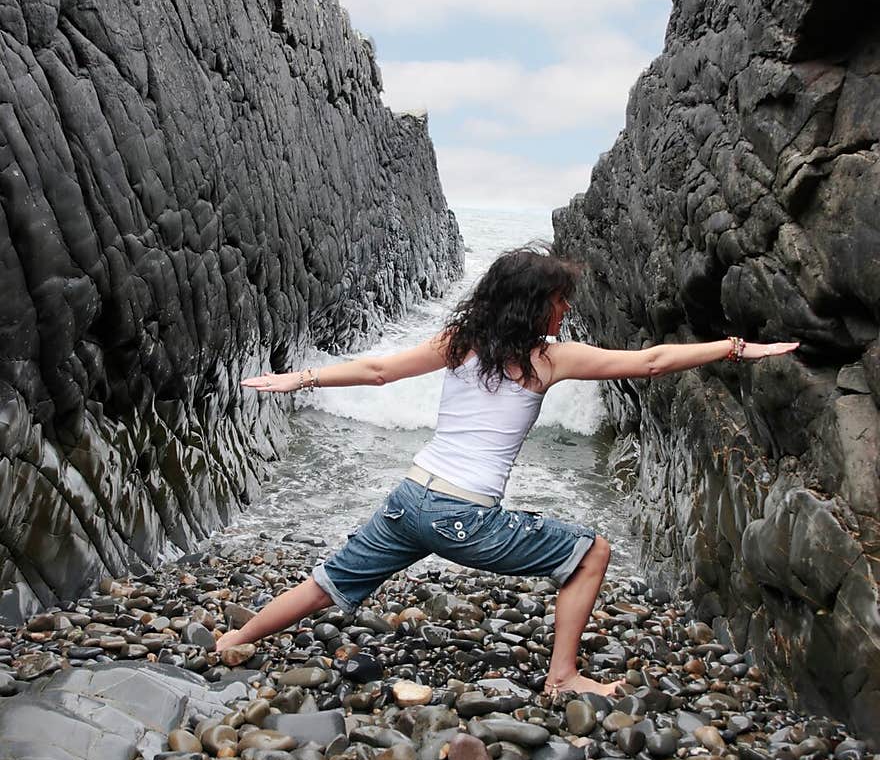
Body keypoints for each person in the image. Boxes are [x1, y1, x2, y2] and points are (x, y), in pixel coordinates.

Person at [214, 246, 798, 701]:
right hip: (461, 517)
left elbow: (376, 371)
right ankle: (563, 677)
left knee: (329, 583)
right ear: (536, 302)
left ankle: (234, 641)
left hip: (410, 496)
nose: (565, 309)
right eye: (560, 299)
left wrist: (304, 378)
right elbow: (648, 363)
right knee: (591, 553)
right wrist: (732, 347)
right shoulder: (549, 357)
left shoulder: (460, 342)